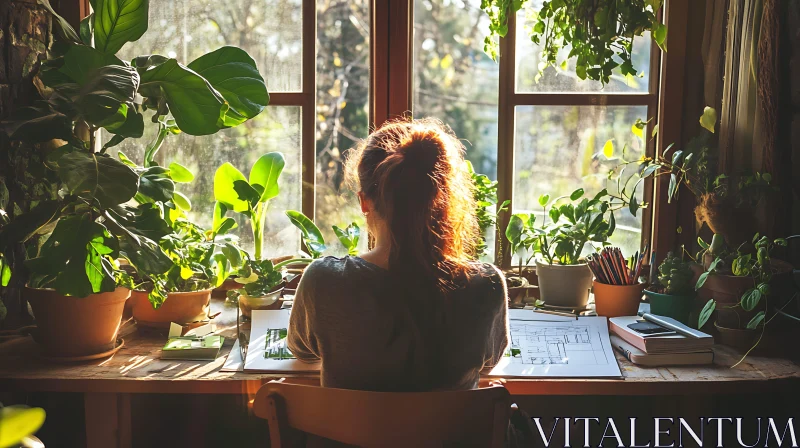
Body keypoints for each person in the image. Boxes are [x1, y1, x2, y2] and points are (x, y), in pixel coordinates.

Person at [287, 118, 509, 392]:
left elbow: (304, 352)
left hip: (347, 436)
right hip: (451, 436)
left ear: (364, 201)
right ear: (444, 198)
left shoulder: (323, 281)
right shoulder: (485, 286)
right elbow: (488, 364)